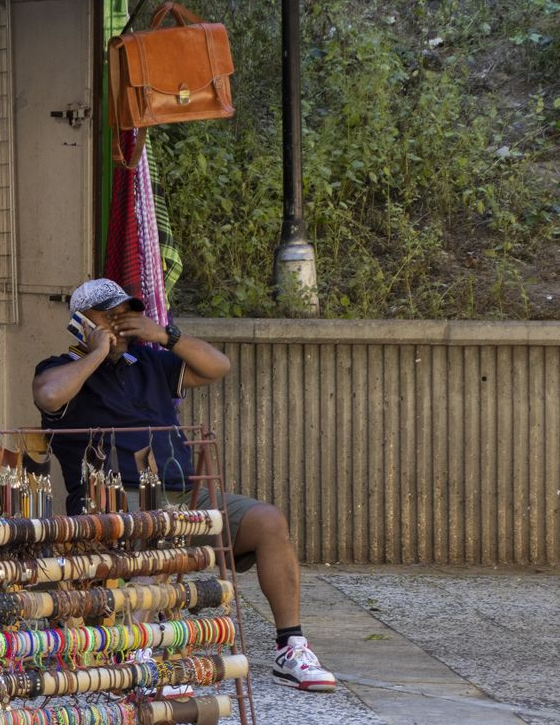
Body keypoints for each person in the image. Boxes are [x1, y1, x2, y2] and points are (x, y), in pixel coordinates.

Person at [31, 278, 336, 692]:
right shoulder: (59, 367)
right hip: (113, 497)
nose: (121, 323)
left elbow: (218, 367)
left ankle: (290, 645)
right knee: (154, 530)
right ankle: (138, 653)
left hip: (180, 490)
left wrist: (165, 335)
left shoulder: (151, 361)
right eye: (109, 316)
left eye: (126, 314)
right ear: (81, 322)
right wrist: (97, 351)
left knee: (267, 521)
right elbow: (48, 397)